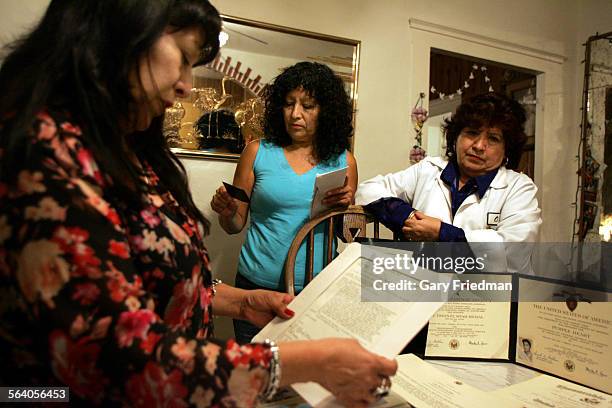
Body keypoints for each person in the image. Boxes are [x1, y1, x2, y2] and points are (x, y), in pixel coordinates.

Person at [0, 1, 395, 407]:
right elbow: (116, 357)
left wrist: (237, 302)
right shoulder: (42, 152)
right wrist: (306, 363)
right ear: (120, 38)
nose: (188, 84)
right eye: (185, 59)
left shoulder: (123, 147)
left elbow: (144, 280)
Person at [210, 62, 358, 343]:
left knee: (306, 379)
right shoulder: (257, 152)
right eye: (289, 104)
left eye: (308, 106)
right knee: (254, 373)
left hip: (317, 289)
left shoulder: (344, 161)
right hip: (255, 287)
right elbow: (234, 225)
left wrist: (347, 209)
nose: (295, 114)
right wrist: (229, 211)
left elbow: (346, 234)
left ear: (326, 111)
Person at [356, 93, 541, 272]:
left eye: (493, 139)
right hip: (423, 290)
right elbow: (368, 190)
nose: (478, 146)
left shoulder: (519, 187)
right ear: (456, 137)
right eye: (472, 133)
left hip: (485, 298)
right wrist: (408, 216)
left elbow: (514, 252)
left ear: (507, 149)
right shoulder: (428, 169)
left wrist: (441, 233)